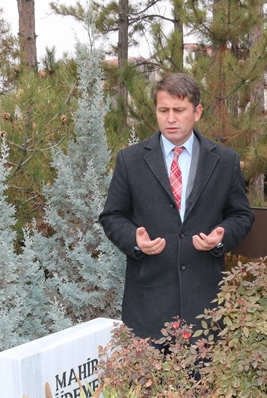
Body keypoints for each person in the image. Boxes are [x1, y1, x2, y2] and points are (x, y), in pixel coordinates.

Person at [98, 73, 254, 339]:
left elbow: (241, 215)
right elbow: (113, 216)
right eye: (163, 110)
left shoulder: (225, 161)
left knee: (202, 381)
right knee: (148, 381)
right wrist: (134, 239)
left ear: (197, 112)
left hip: (206, 305)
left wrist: (222, 236)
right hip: (148, 305)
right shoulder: (130, 160)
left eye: (179, 110)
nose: (170, 118)